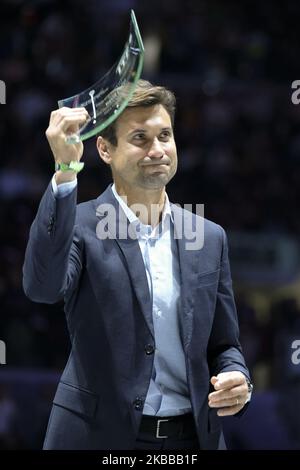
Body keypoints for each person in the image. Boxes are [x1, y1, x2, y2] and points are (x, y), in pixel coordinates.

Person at [23, 79, 252, 450]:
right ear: (104, 148)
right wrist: (65, 170)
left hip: (192, 441)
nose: (158, 149)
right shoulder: (81, 225)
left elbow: (224, 344)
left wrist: (236, 376)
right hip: (99, 441)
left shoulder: (209, 237)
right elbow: (42, 287)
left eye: (165, 135)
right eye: (140, 138)